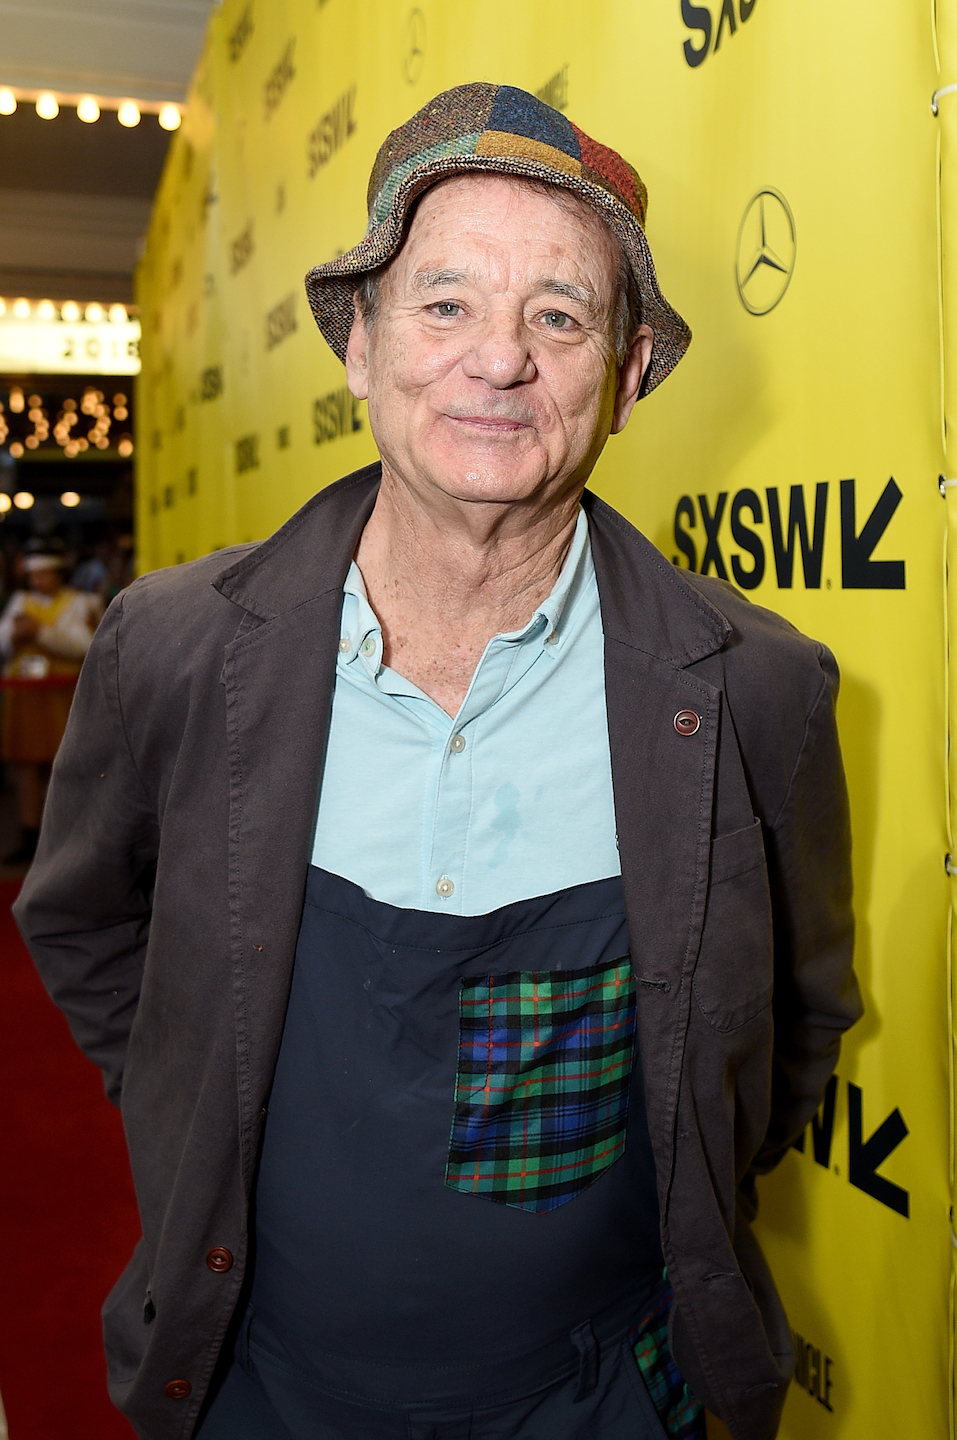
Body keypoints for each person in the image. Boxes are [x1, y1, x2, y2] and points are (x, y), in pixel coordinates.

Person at [14, 84, 861, 1440]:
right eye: (445, 303)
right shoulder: (174, 646)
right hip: (256, 1388)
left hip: (606, 1398)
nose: (500, 360)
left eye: (561, 317)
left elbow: (792, 1026)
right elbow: (84, 925)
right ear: (360, 344)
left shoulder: (756, 689)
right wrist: (197, 1106)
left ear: (629, 373)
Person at [0, 543, 101, 862]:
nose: (38, 581)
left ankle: (68, 838)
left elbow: (84, 644)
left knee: (66, 765)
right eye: (34, 575)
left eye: (44, 574)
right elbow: (3, 643)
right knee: (26, 767)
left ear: (58, 573)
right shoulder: (20, 602)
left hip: (63, 696)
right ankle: (30, 836)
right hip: (26, 696)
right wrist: (14, 637)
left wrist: (40, 632)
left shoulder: (81, 602)